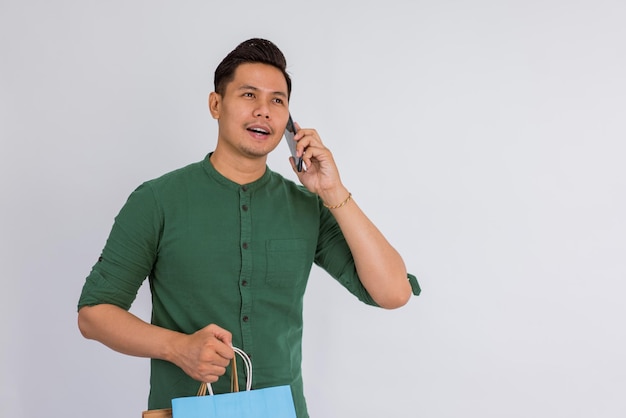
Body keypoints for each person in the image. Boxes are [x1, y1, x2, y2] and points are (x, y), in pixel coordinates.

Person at [77, 38, 420, 418]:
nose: (263, 111)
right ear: (215, 105)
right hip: (185, 410)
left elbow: (394, 292)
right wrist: (177, 348)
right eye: (248, 94)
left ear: (289, 120)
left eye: (277, 100)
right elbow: (94, 314)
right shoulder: (157, 200)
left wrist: (332, 190)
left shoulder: (307, 206)